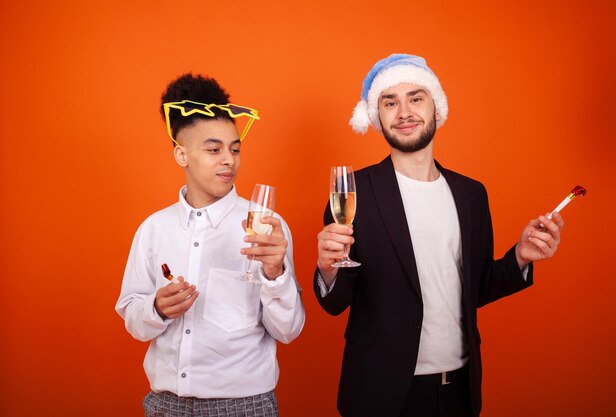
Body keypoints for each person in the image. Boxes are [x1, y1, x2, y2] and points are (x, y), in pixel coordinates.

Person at [314, 54, 564, 417]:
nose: (404, 112)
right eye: (390, 102)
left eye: (416, 98)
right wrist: (328, 268)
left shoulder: (471, 194)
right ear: (377, 117)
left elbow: (474, 289)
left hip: (458, 391)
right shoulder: (353, 194)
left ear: (436, 108)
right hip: (380, 393)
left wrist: (521, 256)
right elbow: (335, 303)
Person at [116, 73, 305, 417]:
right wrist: (156, 308)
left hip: (245, 408)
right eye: (214, 149)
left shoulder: (265, 228)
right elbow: (133, 319)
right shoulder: (154, 229)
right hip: (164, 406)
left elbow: (288, 331)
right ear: (181, 155)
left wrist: (276, 273)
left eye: (235, 149)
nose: (229, 160)